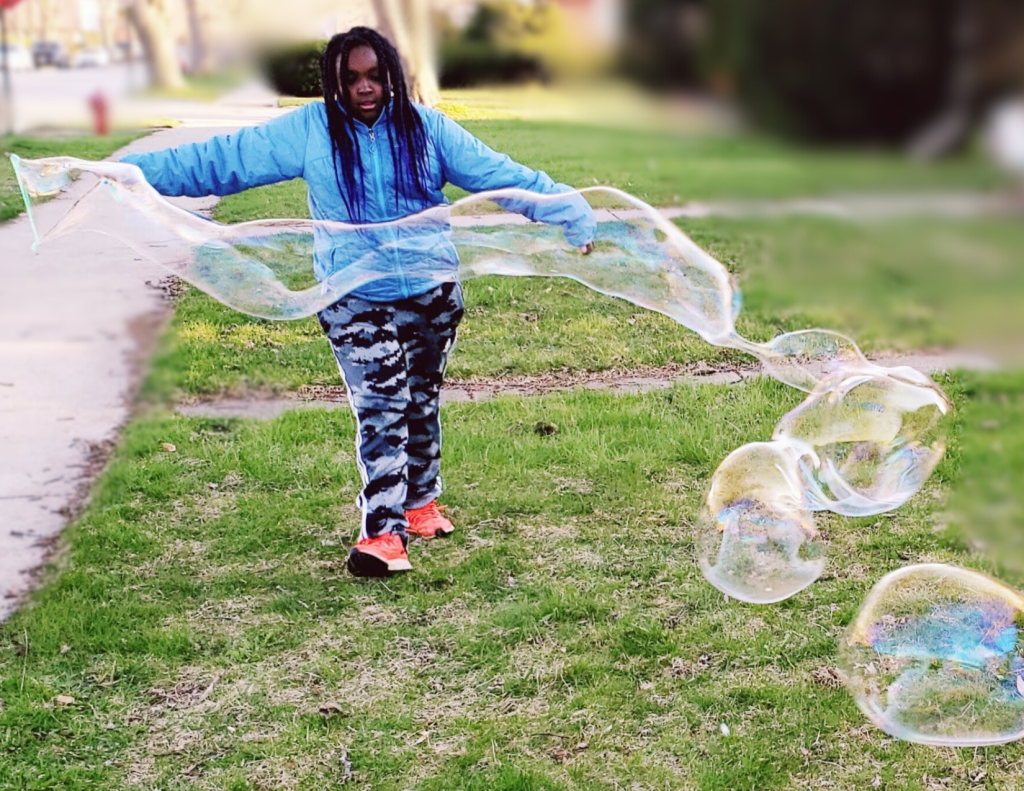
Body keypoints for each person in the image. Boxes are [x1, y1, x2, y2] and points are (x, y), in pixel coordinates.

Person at [120, 27, 596, 578]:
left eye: (375, 76)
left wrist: (568, 209)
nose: (365, 88)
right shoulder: (310, 131)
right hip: (353, 298)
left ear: (391, 74)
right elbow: (222, 160)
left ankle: (420, 504)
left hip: (431, 293)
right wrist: (133, 174)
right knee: (382, 406)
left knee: (420, 400)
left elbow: (501, 176)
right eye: (351, 79)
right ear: (334, 83)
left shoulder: (427, 128)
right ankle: (383, 535)